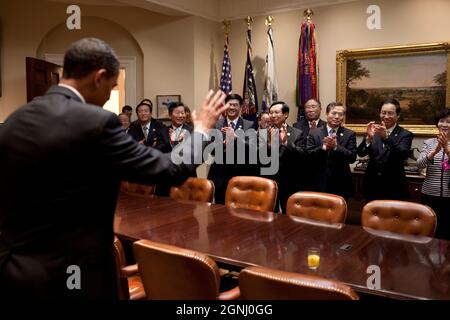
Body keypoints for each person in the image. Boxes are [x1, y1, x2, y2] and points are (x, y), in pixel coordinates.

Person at [0, 38, 227, 299]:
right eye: (111, 85)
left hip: (15, 272)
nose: (109, 95)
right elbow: (169, 169)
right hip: (76, 275)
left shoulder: (16, 119)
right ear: (99, 77)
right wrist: (200, 131)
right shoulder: (95, 122)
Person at [357, 98, 413, 201]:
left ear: (398, 115)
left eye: (390, 113)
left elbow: (403, 154)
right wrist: (368, 138)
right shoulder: (374, 131)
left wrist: (386, 138)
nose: (386, 116)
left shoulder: (405, 134)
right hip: (372, 187)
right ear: (379, 114)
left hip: (394, 187)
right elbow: (360, 153)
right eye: (383, 113)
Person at [207, 93, 254, 204]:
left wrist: (236, 138)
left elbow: (252, 149)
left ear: (241, 106)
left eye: (235, 105)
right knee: (219, 208)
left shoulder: (249, 125)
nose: (232, 107)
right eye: (229, 105)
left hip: (240, 172)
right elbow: (210, 148)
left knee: (240, 208)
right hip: (219, 174)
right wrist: (224, 143)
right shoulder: (217, 124)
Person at [306, 102, 357, 201]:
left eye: (340, 114)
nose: (337, 117)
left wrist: (336, 147)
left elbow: (352, 157)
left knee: (340, 215)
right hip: (318, 182)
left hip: (341, 183)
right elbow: (308, 155)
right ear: (327, 113)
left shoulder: (349, 134)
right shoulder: (314, 132)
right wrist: (323, 148)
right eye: (334, 113)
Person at [267, 101, 306, 213]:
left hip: (290, 180)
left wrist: (286, 142)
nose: (273, 115)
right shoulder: (263, 133)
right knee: (269, 212)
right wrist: (269, 144)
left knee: (289, 214)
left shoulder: (297, 133)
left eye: (276, 112)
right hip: (270, 180)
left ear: (285, 114)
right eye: (271, 112)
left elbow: (302, 155)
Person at [417, 109, 450, 240]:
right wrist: (434, 151)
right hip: (429, 193)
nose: (444, 124)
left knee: (446, 231)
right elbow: (420, 164)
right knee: (429, 229)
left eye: (448, 121)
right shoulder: (429, 142)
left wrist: (447, 149)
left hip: (448, 195)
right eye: (441, 121)